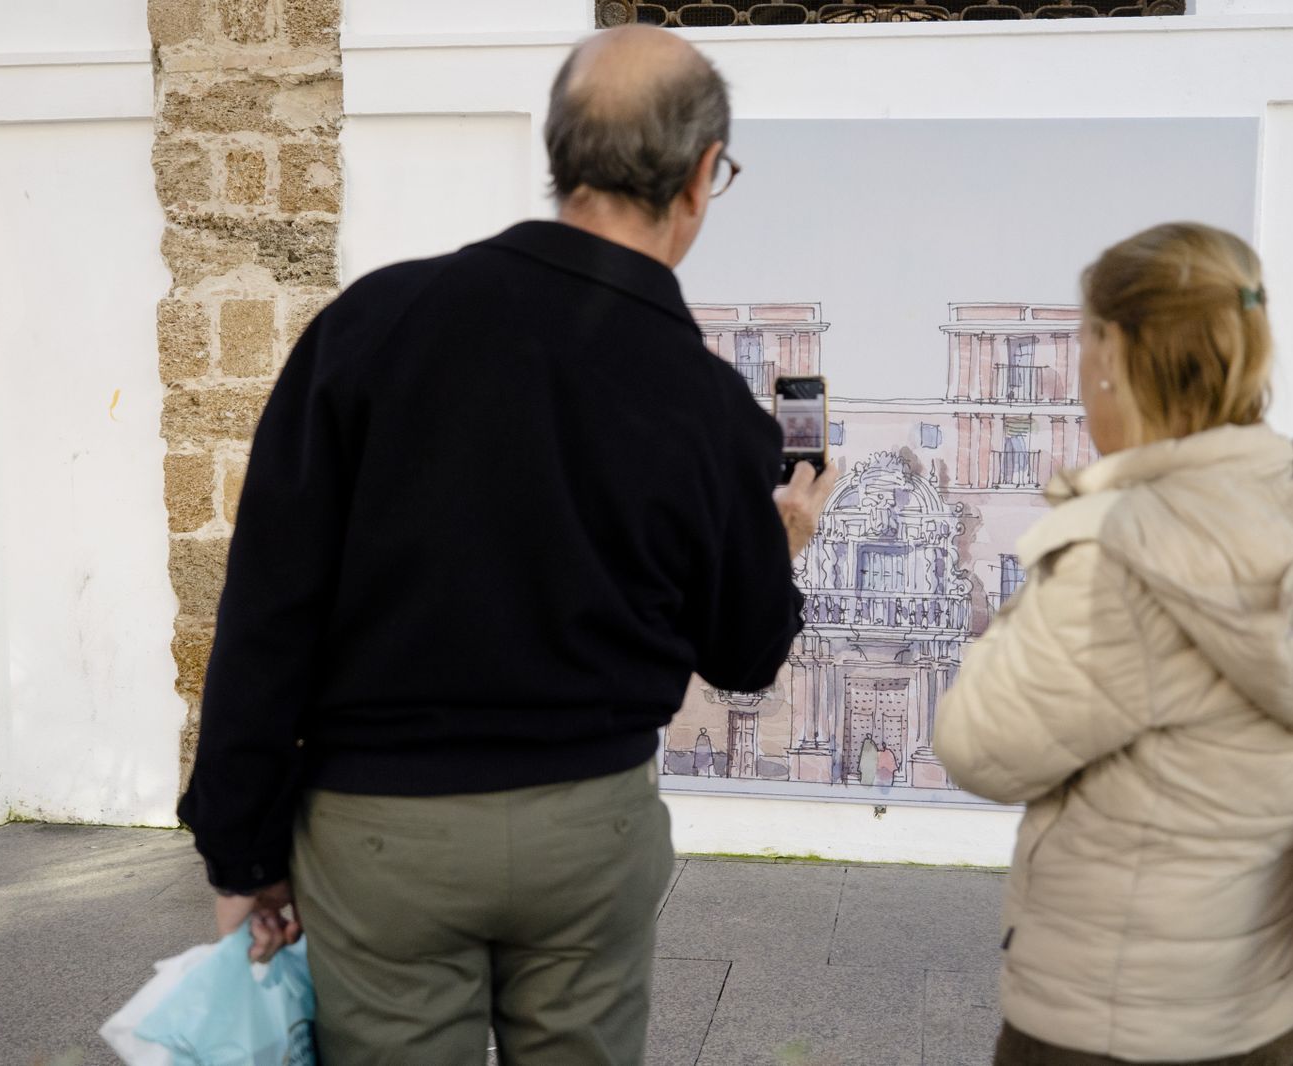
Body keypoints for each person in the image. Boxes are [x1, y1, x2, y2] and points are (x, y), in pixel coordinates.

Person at [178, 25, 835, 1065]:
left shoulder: (372, 327)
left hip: (380, 829)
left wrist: (240, 847)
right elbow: (743, 650)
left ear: (560, 149)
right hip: (589, 824)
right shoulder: (708, 404)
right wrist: (782, 537)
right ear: (704, 176)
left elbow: (268, 609)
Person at [933, 223, 1293, 1066]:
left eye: (1084, 339)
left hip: (1117, 1021)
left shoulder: (1121, 552)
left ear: (1118, 354)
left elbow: (977, 748)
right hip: (1272, 1005)